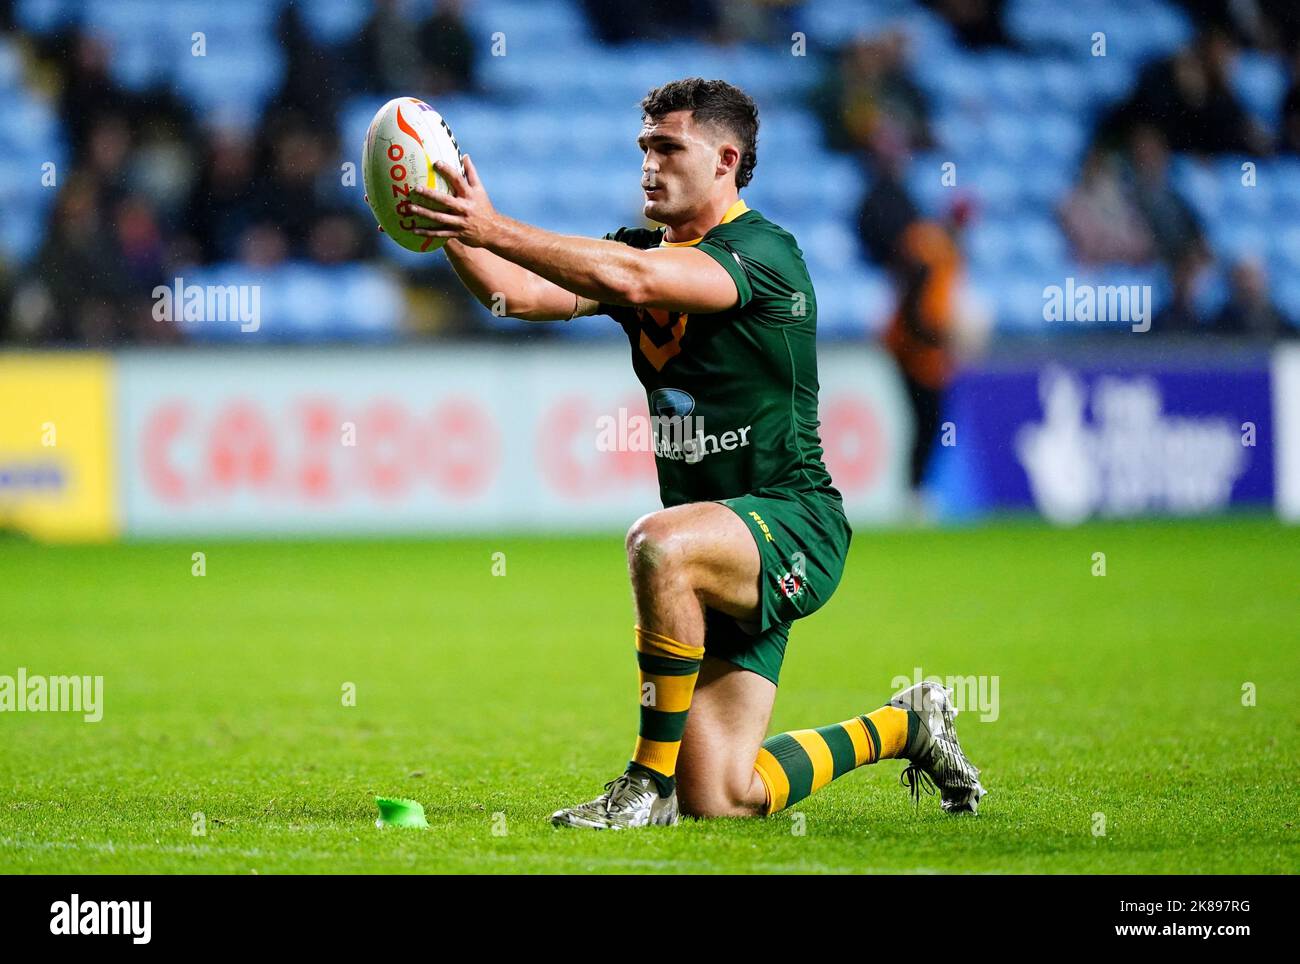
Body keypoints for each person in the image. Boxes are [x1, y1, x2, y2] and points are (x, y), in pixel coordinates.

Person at [403, 77, 984, 827]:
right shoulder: (640, 251)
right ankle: (907, 724)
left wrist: (495, 225)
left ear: (725, 160)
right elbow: (512, 296)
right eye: (645, 146)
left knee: (659, 544)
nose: (650, 163)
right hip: (720, 546)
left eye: (669, 147)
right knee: (726, 796)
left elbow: (636, 279)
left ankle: (644, 786)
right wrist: (450, 224)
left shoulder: (764, 251)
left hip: (791, 520)